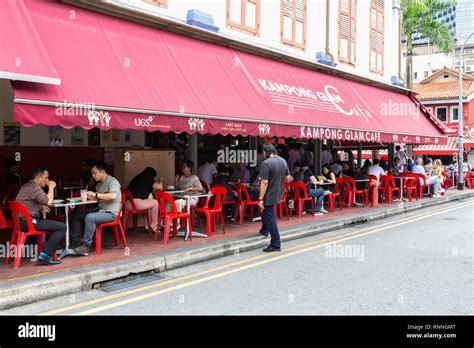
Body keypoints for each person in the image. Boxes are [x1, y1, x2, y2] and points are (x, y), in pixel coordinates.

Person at [15, 166, 66, 265]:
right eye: (46, 178)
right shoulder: (35, 188)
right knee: (61, 227)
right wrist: (51, 187)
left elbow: (28, 201)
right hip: (28, 222)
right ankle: (45, 255)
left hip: (21, 221)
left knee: (54, 225)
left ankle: (45, 250)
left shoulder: (26, 186)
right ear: (38, 178)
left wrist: (40, 206)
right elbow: (48, 202)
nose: (47, 180)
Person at [71, 161, 122, 256]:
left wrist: (96, 194)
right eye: (92, 173)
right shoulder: (98, 185)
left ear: (102, 172)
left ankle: (86, 246)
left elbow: (113, 196)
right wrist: (91, 196)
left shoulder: (112, 181)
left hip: (111, 213)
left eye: (95, 173)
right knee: (76, 213)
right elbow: (99, 198)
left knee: (90, 217)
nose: (93, 175)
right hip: (100, 210)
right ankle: (75, 241)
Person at [258, 143, 290, 253]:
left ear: (265, 152)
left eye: (262, 152)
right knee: (267, 214)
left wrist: (260, 199)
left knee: (270, 217)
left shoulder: (266, 163)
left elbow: (264, 182)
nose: (262, 155)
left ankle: (276, 244)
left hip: (269, 195)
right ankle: (264, 230)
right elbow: (287, 178)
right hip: (278, 193)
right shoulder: (283, 161)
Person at [125, 167, 162, 233]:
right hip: (136, 203)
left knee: (148, 203)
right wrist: (161, 181)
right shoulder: (148, 179)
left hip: (126, 204)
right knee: (155, 202)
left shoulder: (137, 177)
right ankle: (154, 225)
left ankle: (147, 226)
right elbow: (159, 187)